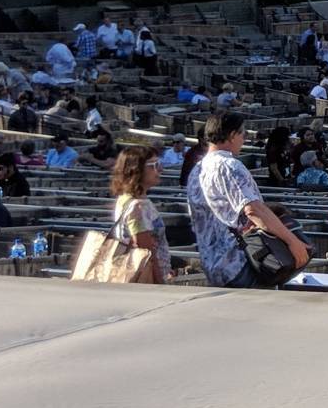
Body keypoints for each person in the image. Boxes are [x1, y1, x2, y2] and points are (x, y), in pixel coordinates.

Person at [186, 113, 309, 288]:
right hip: (238, 262)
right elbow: (253, 210)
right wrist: (293, 241)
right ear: (232, 135)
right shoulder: (229, 165)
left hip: (212, 263)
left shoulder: (197, 171)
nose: (244, 138)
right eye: (243, 133)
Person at [100, 146, 173, 281]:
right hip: (145, 277)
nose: (160, 169)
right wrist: (159, 281)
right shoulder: (138, 207)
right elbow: (145, 251)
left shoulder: (125, 199)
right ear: (136, 170)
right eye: (154, 165)